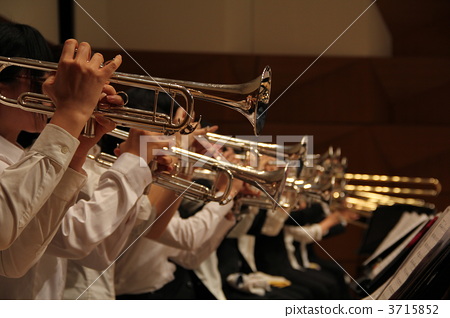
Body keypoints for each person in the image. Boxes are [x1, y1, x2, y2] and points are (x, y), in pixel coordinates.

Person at [0, 23, 121, 276]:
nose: (49, 88)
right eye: (38, 77)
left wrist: (78, 152)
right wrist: (72, 111)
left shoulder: (20, 154)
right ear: (2, 85)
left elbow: (14, 262)